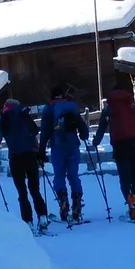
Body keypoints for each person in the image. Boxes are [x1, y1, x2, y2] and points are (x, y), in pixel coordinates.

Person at [94, 72, 135, 221]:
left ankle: (129, 200)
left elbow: (101, 129)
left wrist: (95, 143)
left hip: (120, 145)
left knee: (125, 177)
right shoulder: (133, 107)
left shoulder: (109, 108)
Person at [0, 97, 50, 232]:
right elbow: (34, 134)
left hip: (15, 158)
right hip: (30, 156)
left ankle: (28, 222)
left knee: (22, 192)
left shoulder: (4, 119)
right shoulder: (24, 116)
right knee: (35, 189)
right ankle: (43, 217)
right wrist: (38, 151)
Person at [40, 85, 88, 222]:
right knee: (73, 175)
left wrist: (41, 151)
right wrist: (84, 135)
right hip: (73, 145)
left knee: (59, 175)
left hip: (57, 146)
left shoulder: (49, 109)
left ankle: (63, 201)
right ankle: (77, 201)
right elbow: (81, 125)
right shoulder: (71, 107)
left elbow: (44, 132)